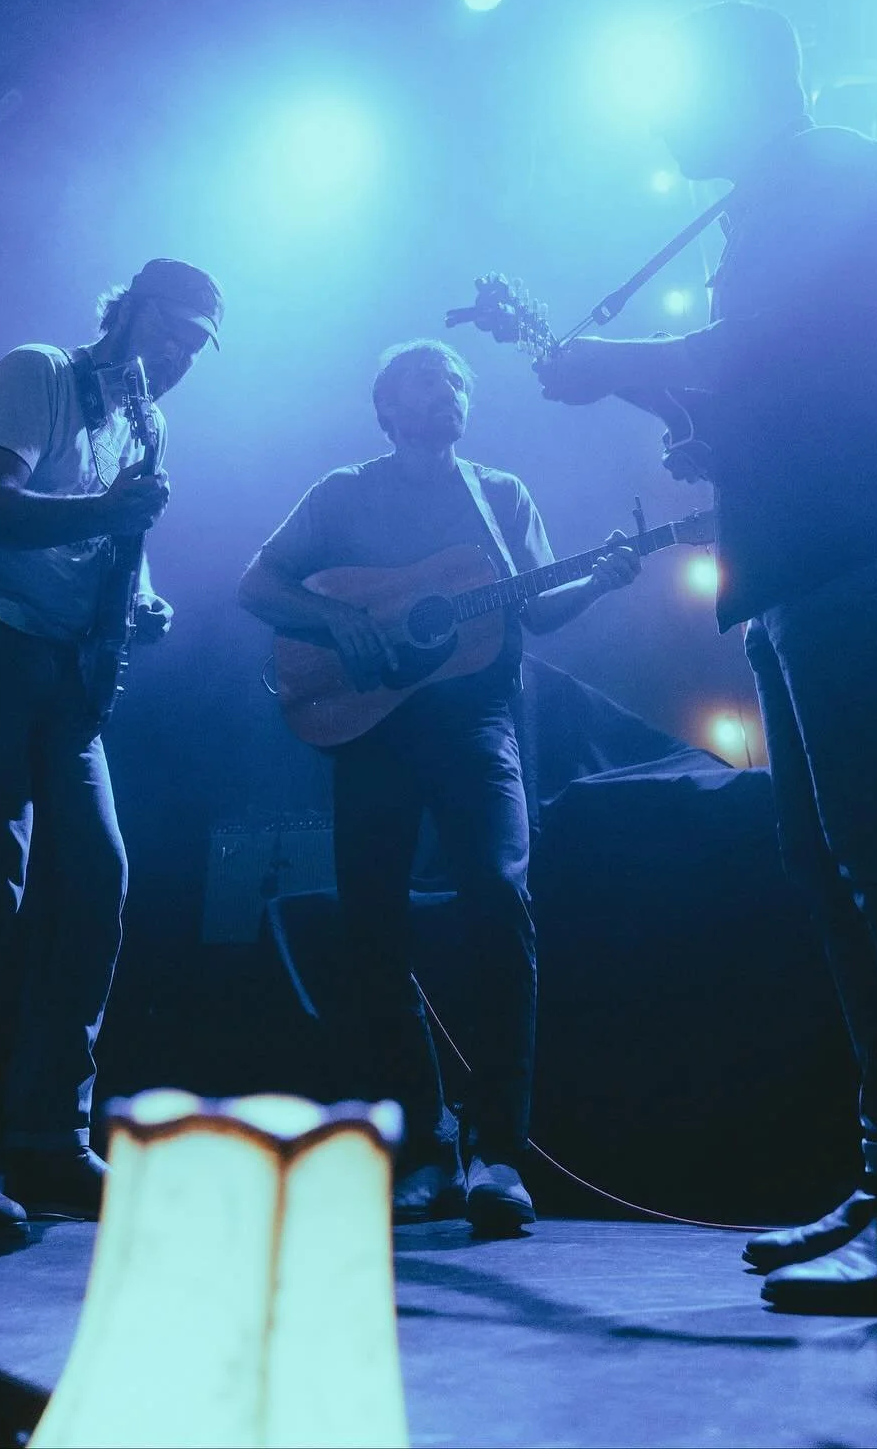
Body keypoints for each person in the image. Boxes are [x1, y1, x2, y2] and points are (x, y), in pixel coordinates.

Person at [539, 0, 877, 1340]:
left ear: (738, 82)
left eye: (673, 96)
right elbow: (788, 383)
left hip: (860, 549)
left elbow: (759, 351)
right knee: (838, 867)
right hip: (811, 557)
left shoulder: (831, 168)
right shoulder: (768, 206)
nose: (659, 126)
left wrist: (610, 364)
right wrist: (709, 435)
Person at [238, 340, 640, 1234]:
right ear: (386, 407)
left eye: (457, 380)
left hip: (476, 722)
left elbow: (539, 609)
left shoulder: (502, 496)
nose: (448, 390)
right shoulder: (343, 492)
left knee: (500, 895)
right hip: (372, 728)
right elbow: (256, 584)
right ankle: (425, 1144)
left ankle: (499, 1153)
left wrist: (597, 579)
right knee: (371, 928)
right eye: (428, 379)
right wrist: (337, 617)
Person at [0, 257, 223, 1238]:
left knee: (94, 880)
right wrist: (111, 514)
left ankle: (47, 1141)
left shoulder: (145, 430)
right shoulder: (39, 372)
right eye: (170, 330)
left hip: (60, 668)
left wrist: (142, 599)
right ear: (127, 312)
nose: (179, 356)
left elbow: (113, 546)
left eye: (197, 346)